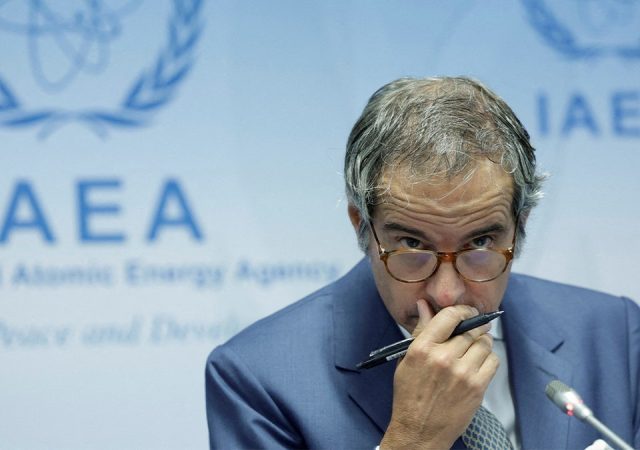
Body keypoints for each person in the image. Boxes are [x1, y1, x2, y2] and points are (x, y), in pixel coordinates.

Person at [205, 77, 640, 449]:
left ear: (519, 225)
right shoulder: (257, 377)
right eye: (412, 244)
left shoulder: (613, 333)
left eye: (480, 241)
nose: (447, 294)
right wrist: (413, 439)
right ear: (362, 226)